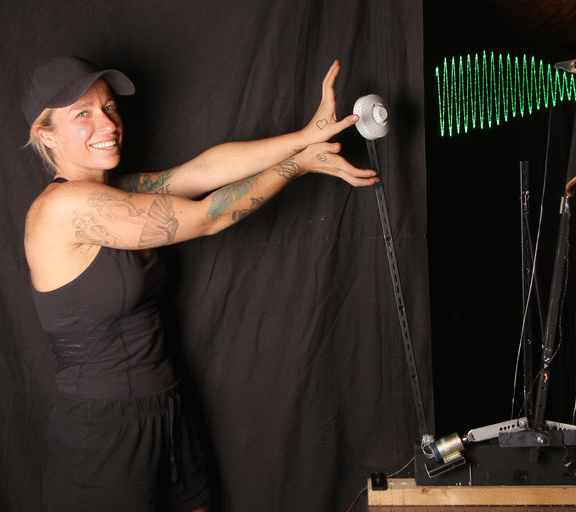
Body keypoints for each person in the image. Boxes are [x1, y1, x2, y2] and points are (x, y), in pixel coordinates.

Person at [21, 55, 378, 512]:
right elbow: (208, 217)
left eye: (108, 107)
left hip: (166, 408)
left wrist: (307, 135)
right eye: (82, 114)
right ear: (46, 134)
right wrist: (299, 165)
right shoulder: (63, 207)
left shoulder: (122, 190)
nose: (107, 124)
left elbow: (202, 171)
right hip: (102, 431)